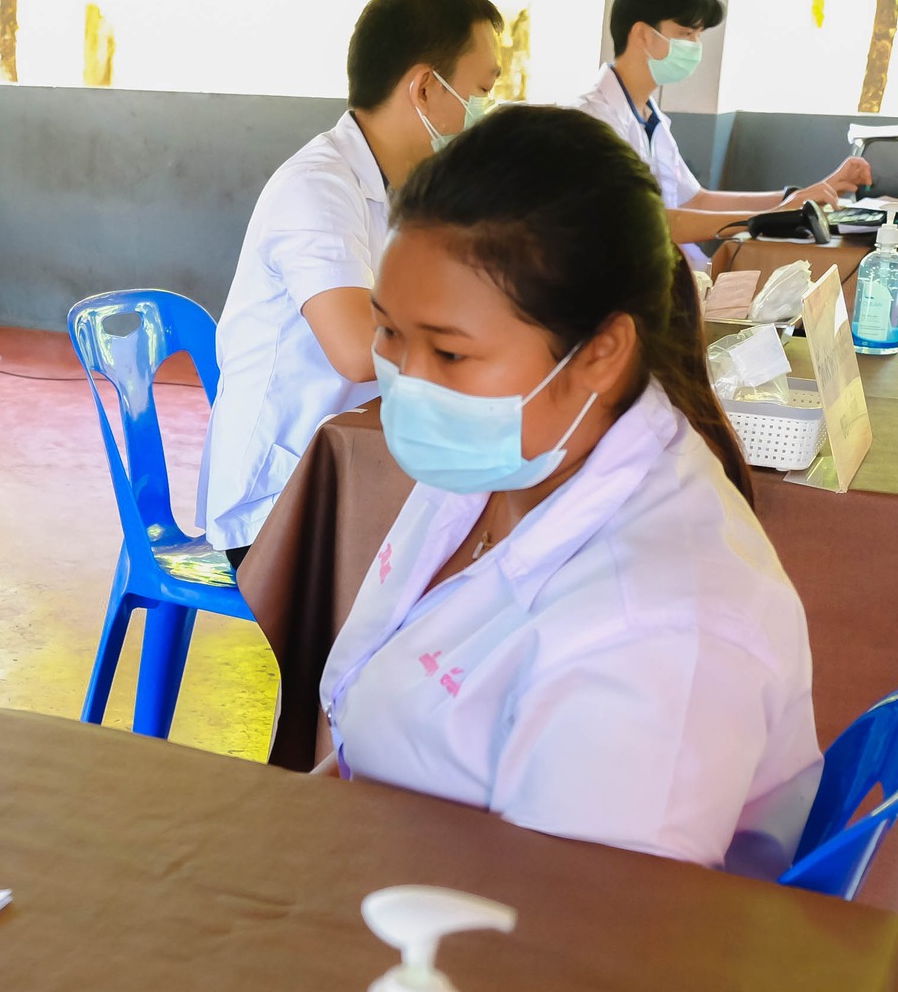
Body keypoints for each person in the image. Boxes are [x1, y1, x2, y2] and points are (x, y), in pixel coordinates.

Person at [319, 105, 818, 872]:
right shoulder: (499, 461)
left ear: (601, 353)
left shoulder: (659, 631)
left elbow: (574, 947)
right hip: (393, 870)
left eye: (450, 354)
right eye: (389, 331)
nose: (407, 383)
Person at [199, 0, 503, 565]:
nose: (484, 110)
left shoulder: (413, 190)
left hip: (363, 463)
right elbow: (361, 350)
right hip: (278, 506)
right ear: (424, 87)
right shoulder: (318, 187)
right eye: (481, 90)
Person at [576, 0, 871, 261]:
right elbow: (647, 222)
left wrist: (802, 197)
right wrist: (773, 215)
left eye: (698, 35)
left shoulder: (648, 115)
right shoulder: (593, 121)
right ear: (642, 34)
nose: (694, 46)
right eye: (685, 33)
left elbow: (696, 199)